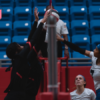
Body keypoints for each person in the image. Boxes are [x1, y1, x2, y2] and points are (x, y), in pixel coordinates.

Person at [4, 8, 50, 100]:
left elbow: (31, 40)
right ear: (16, 51)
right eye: (19, 46)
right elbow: (32, 41)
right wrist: (42, 23)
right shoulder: (21, 57)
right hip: (16, 97)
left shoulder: (21, 58)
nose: (22, 46)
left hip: (20, 96)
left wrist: (37, 22)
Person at [57, 35, 100, 100]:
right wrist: (63, 40)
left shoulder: (90, 92)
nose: (94, 50)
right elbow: (77, 49)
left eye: (96, 49)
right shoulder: (93, 56)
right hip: (97, 91)